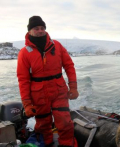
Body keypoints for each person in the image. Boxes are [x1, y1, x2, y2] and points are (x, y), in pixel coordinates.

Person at [17, 16, 79, 147]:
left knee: (65, 122)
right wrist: (27, 104)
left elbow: (69, 66)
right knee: (43, 125)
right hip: (39, 95)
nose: (40, 31)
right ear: (29, 31)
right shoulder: (24, 53)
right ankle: (47, 144)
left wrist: (73, 87)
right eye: (36, 28)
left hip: (59, 91)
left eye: (42, 28)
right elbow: (23, 80)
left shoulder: (56, 45)